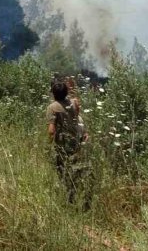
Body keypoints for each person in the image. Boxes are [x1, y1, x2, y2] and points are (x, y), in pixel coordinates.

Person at [46, 78, 90, 207]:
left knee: (62, 170)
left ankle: (69, 197)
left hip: (63, 143)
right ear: (66, 92)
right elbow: (76, 117)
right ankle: (77, 192)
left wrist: (48, 145)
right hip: (76, 140)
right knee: (75, 167)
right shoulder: (74, 102)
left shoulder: (52, 107)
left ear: (53, 93)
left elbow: (51, 131)